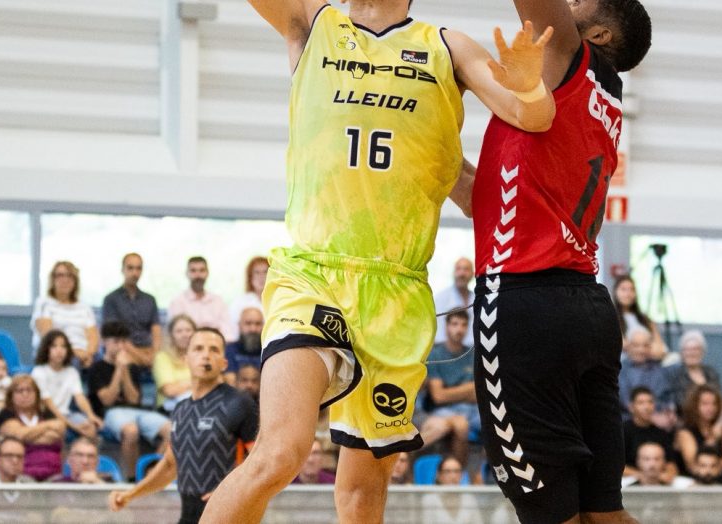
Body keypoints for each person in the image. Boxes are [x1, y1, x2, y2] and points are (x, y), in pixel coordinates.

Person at [201, 0, 559, 520]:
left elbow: (533, 115)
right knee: (279, 453)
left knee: (363, 490)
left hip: (397, 292)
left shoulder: (447, 46)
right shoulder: (314, 22)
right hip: (314, 272)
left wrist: (529, 86)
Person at [461, 0, 651, 518]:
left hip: (525, 304)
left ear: (600, 35)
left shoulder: (567, 53)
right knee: (604, 514)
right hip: (585, 306)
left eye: (578, 2)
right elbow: (490, 198)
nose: (566, 4)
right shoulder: (603, 97)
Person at [108, 328, 258, 524]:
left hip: (229, 516)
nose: (206, 355)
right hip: (188, 517)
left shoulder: (239, 403)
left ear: (224, 363)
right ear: (186, 359)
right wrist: (131, 494)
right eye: (198, 348)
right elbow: (170, 465)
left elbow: (260, 461)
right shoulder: (181, 409)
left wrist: (230, 490)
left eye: (214, 349)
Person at [88, 321, 171, 480]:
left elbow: (133, 399)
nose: (121, 347)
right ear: (105, 342)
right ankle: (132, 479)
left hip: (137, 411)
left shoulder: (132, 367)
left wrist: (125, 369)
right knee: (131, 431)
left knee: (174, 431)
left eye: (123, 342)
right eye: (116, 342)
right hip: (111, 412)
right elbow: (107, 400)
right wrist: (119, 369)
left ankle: (151, 472)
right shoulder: (96, 368)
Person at [420, 310, 478, 464]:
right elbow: (439, 397)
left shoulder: (472, 354)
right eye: (455, 324)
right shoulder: (435, 354)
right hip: (442, 410)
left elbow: (479, 394)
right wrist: (469, 388)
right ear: (446, 326)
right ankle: (459, 473)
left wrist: (452, 392)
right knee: (460, 425)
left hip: (474, 410)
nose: (459, 329)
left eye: (464, 325)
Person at [31, 331, 103, 438]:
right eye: (54, 346)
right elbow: (49, 406)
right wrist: (74, 427)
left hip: (67, 415)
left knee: (90, 428)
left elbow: (80, 398)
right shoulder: (39, 372)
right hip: (46, 417)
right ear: (46, 349)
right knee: (60, 430)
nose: (59, 350)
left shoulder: (71, 372)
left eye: (63, 346)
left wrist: (91, 415)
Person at [0, 375, 66, 481]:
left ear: (37, 394)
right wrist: (48, 426)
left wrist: (27, 436)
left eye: (29, 390)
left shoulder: (45, 413)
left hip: (55, 475)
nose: (25, 394)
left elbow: (59, 429)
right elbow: (19, 435)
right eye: (19, 391)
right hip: (21, 476)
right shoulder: (6, 414)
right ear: (11, 396)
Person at [31, 261, 98, 367]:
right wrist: (75, 353)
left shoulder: (84, 307)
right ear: (53, 279)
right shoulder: (44, 303)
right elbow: (49, 337)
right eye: (60, 275)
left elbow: (93, 337)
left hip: (84, 356)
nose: (65, 280)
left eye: (70, 276)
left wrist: (88, 355)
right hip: (56, 355)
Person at [102, 253, 161, 367]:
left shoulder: (150, 300)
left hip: (148, 350)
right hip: (123, 350)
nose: (135, 273)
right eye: (130, 268)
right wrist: (142, 358)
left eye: (138, 268)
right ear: (122, 270)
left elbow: (156, 332)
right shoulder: (111, 299)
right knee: (122, 359)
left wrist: (155, 354)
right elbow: (116, 335)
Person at [168, 257, 235, 342]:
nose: (198, 275)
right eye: (193, 271)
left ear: (207, 273)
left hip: (215, 344)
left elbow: (228, 332)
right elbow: (176, 334)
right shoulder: (177, 302)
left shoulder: (218, 301)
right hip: (188, 346)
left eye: (202, 270)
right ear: (187, 274)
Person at [675, 385, 722, 476]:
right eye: (705, 404)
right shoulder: (685, 432)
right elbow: (693, 466)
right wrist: (713, 439)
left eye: (714, 404)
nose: (710, 408)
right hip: (693, 481)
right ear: (694, 406)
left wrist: (710, 465)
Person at [622, 387, 678, 484]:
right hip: (628, 482)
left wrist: (669, 474)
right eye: (641, 403)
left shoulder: (661, 433)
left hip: (657, 482)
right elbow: (613, 465)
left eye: (650, 402)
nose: (646, 407)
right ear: (631, 407)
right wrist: (639, 475)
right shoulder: (622, 432)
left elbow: (671, 463)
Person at [618, 328, 672, 426]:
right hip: (629, 422)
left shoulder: (659, 370)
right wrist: (651, 417)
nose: (641, 350)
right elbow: (626, 403)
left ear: (650, 347)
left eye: (645, 345)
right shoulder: (620, 369)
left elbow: (667, 398)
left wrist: (669, 413)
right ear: (628, 347)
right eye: (636, 345)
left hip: (659, 420)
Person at [612, 276, 667, 360]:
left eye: (632, 289)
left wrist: (636, 346)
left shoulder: (645, 319)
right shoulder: (611, 318)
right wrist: (646, 346)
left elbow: (660, 348)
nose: (628, 293)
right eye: (623, 289)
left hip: (650, 363)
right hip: (624, 364)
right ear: (615, 292)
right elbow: (620, 345)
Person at [664, 330, 722, 410]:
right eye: (687, 349)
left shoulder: (711, 373)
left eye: (695, 349)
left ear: (703, 352)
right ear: (681, 353)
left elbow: (718, 397)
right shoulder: (673, 373)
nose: (691, 353)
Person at [420, 455, 484, 524]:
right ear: (439, 475)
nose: (453, 476)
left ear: (462, 475)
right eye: (447, 471)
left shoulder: (469, 499)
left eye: (456, 471)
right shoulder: (429, 500)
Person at [153, 315, 196, 413]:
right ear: (171, 335)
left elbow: (215, 383)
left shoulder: (201, 356)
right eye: (179, 331)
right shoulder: (162, 357)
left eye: (188, 330)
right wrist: (196, 381)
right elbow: (169, 391)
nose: (185, 334)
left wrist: (181, 384)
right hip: (169, 410)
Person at [433, 258, 475, 347]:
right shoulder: (441, 298)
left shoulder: (476, 299)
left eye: (466, 269)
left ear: (473, 274)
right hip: (444, 350)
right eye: (458, 269)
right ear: (454, 273)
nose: (462, 273)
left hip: (471, 351)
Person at [623, 442, 693, 488]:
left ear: (664, 462)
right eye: (646, 459)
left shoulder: (680, 486)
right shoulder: (624, 487)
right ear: (638, 461)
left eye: (657, 459)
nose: (652, 464)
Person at [223, 307, 264, 386]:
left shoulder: (268, 351)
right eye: (248, 323)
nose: (253, 329)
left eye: (258, 324)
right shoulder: (229, 350)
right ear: (239, 325)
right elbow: (230, 383)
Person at [228, 256, 269, 324]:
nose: (261, 277)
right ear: (250, 277)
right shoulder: (239, 302)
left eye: (265, 272)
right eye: (257, 272)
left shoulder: (280, 300)